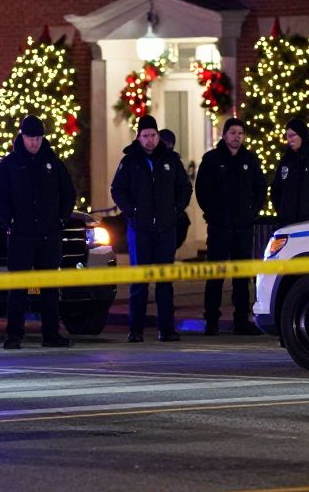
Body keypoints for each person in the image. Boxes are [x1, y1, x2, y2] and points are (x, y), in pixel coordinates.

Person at [0, 114, 76, 349]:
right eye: (30, 138)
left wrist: (60, 220)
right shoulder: (10, 164)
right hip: (21, 236)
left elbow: (68, 194)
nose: (34, 143)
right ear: (22, 137)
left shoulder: (53, 164)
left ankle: (51, 334)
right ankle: (14, 335)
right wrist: (10, 221)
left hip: (49, 235)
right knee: (18, 287)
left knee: (50, 287)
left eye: (38, 138)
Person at [110, 114, 192, 342]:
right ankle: (136, 330)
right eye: (145, 136)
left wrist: (175, 210)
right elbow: (117, 189)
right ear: (138, 137)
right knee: (140, 282)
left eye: (153, 135)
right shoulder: (130, 162)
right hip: (140, 230)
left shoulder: (171, 160)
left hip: (166, 229)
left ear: (158, 136)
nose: (150, 140)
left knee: (165, 282)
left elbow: (185, 188)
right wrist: (132, 212)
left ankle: (166, 329)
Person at [195, 118, 266, 335]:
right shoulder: (212, 159)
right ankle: (211, 321)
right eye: (233, 133)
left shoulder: (250, 160)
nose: (237, 137)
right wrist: (213, 214)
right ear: (224, 134)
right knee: (215, 276)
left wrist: (250, 213)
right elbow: (202, 190)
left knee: (241, 277)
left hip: (243, 228)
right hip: (219, 227)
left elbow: (260, 189)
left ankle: (241, 320)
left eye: (240, 133)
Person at [158, 128, 191, 250]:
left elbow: (185, 188)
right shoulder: (144, 161)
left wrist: (177, 209)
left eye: (169, 143)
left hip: (170, 217)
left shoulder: (175, 163)